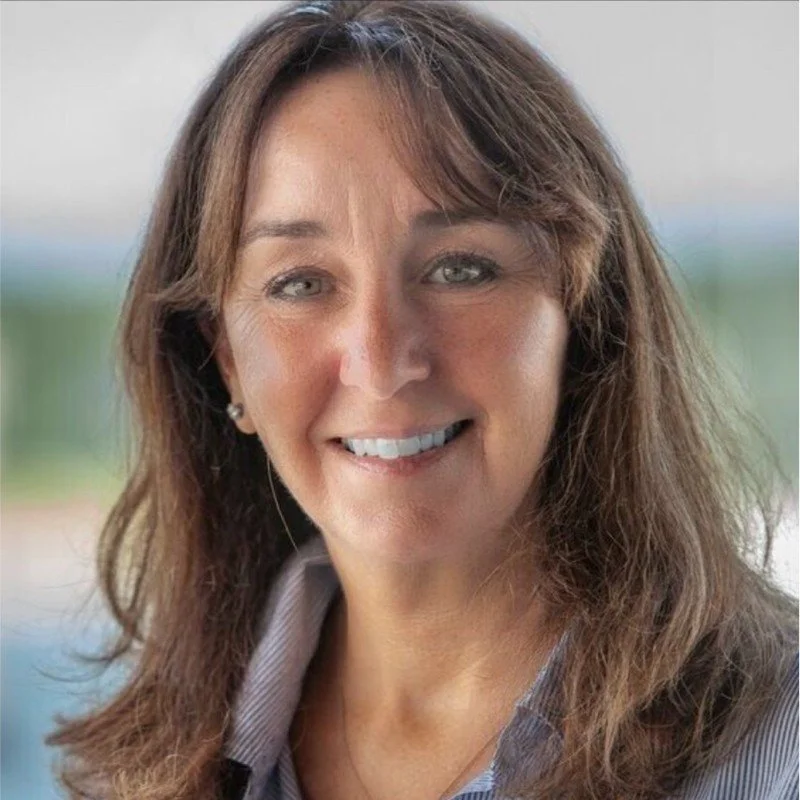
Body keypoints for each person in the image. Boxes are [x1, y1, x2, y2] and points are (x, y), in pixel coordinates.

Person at [48, 1, 798, 799]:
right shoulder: (135, 774)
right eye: (300, 283)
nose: (379, 361)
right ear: (226, 360)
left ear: (581, 313)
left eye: (460, 269)